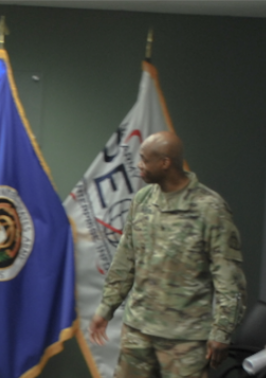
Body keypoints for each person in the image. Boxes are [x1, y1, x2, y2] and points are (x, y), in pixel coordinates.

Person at [89, 131, 247, 378]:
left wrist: (222, 332)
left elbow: (230, 280)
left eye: (144, 159)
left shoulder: (210, 208)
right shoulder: (142, 201)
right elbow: (125, 261)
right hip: (138, 332)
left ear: (165, 163)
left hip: (185, 341)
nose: (139, 165)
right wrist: (106, 308)